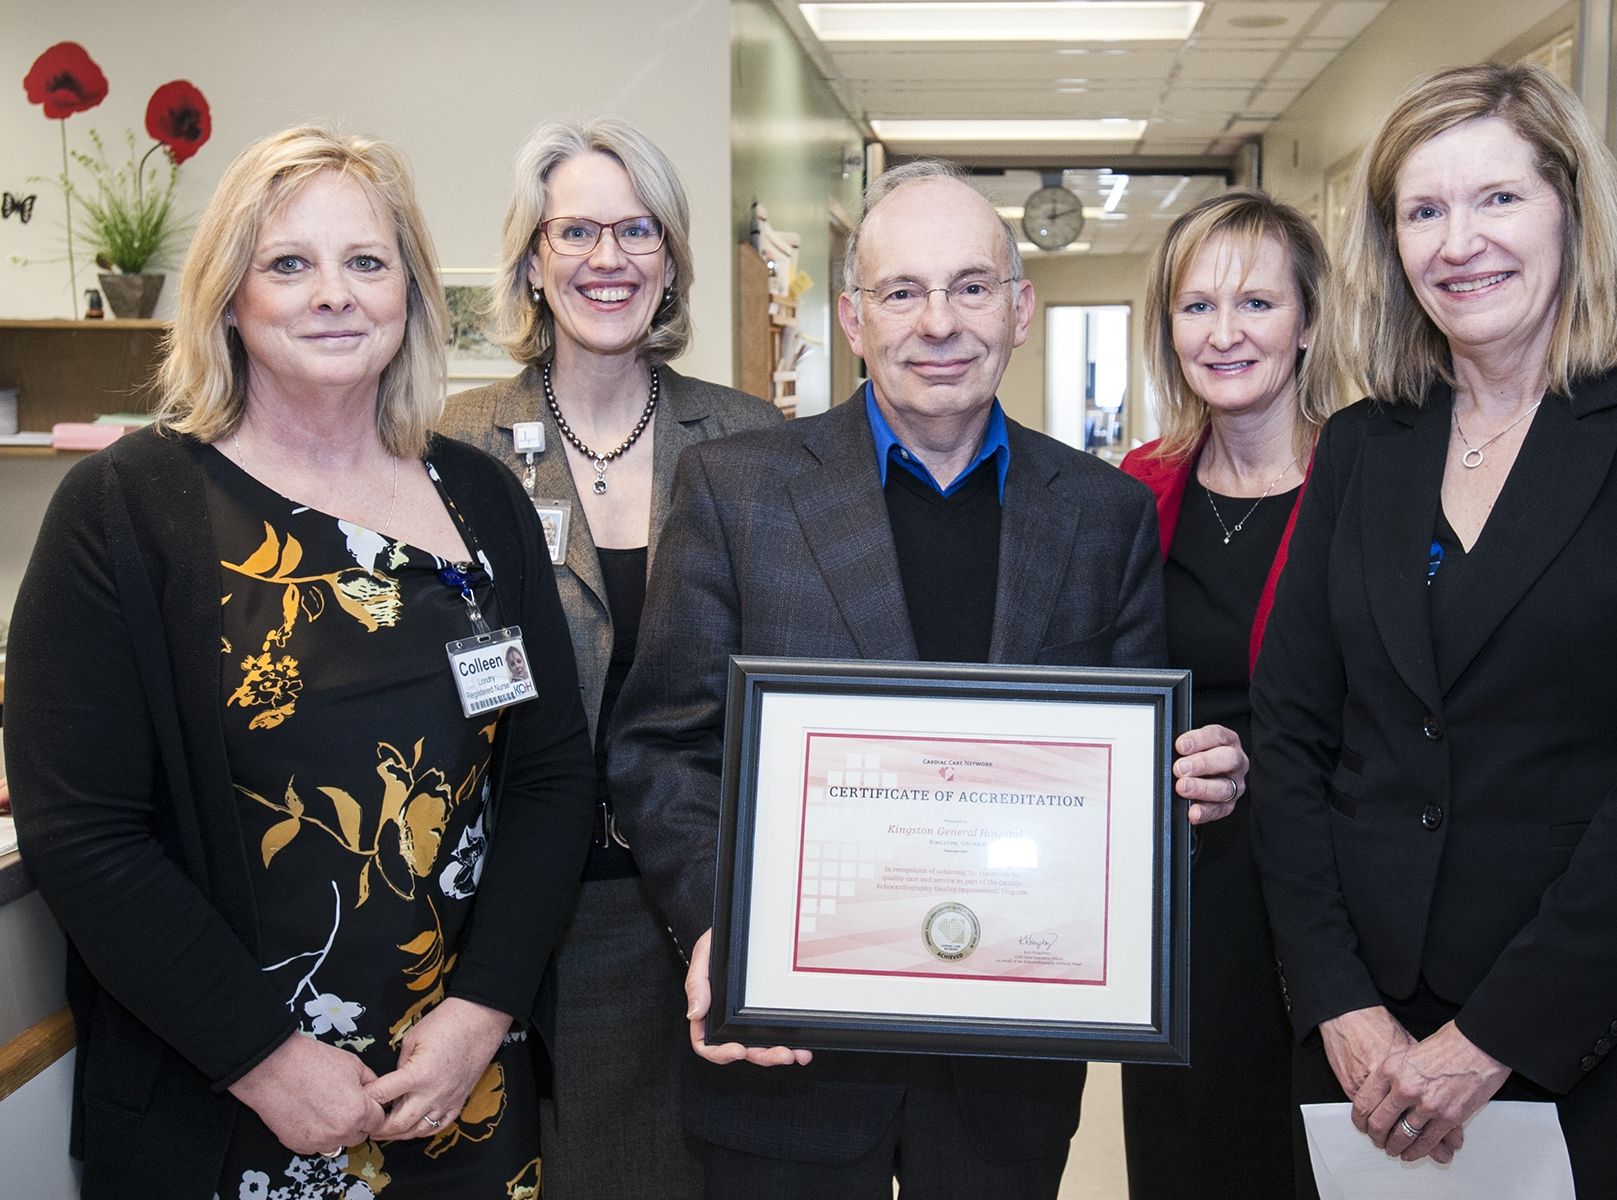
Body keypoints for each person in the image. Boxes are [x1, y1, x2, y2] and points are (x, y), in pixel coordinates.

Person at [607, 160, 1249, 1200]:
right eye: (903, 292)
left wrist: (1191, 782)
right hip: (790, 1055)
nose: (938, 322)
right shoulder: (738, 493)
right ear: (856, 319)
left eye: (971, 287)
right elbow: (664, 747)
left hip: (1006, 1073)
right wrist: (728, 926)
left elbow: (1131, 779)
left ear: (1021, 309)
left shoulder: (1103, 515)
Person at [4, 126, 594, 1199]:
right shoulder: (128, 510)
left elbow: (550, 774)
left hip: (458, 1092)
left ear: (409, 294)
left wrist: (482, 1012)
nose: (334, 294)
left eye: (367, 263)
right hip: (223, 1096)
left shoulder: (483, 499)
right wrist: (263, 1060)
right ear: (229, 295)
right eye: (289, 264)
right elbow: (83, 832)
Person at [1250, 62, 1617, 1198]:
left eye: (1498, 199)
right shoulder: (1359, 448)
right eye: (1423, 211)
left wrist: (1489, 1041)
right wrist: (1336, 997)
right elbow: (1291, 735)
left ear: (1572, 211)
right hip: (1370, 1042)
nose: (1459, 242)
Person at [437, 115, 782, 1198]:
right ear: (533, 261)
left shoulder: (750, 442)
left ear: (673, 259)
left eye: (638, 231)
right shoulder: (448, 443)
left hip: (694, 900)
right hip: (498, 911)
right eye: (575, 231)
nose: (607, 259)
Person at [1118, 189, 1334, 1197]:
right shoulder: (1138, 485)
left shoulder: (1369, 483)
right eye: (1196, 306)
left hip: (1319, 895)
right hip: (1178, 900)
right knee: (1184, 1157)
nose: (1225, 332)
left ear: (1308, 320)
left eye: (1256, 303)